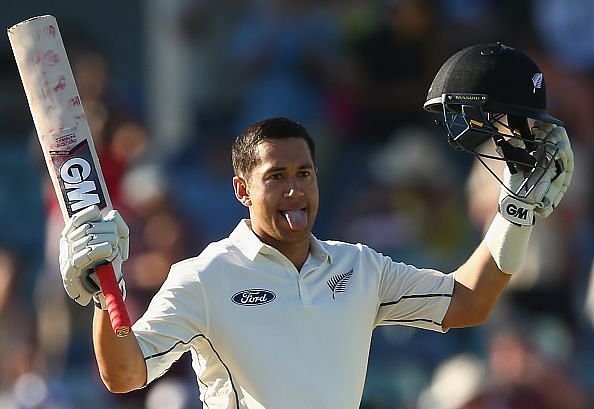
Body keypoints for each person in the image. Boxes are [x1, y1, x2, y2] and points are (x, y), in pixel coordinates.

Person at [58, 43, 573, 408]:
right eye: (276, 176)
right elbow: (124, 373)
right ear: (243, 191)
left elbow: (471, 301)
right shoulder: (204, 277)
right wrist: (106, 295)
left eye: (304, 173)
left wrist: (517, 211)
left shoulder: (360, 267)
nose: (294, 189)